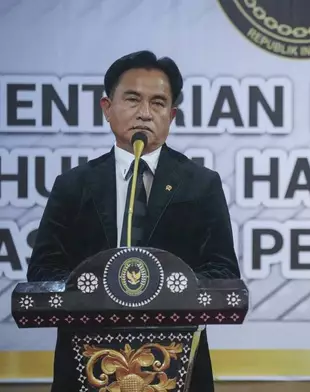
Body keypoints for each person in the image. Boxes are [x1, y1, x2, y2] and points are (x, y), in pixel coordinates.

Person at [27, 50, 240, 392]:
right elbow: (43, 271)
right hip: (87, 362)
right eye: (132, 99)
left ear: (171, 115)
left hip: (174, 362)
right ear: (107, 108)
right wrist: (93, 289)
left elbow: (223, 271)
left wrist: (166, 286)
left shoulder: (201, 184)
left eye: (158, 103)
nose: (144, 113)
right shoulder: (73, 185)